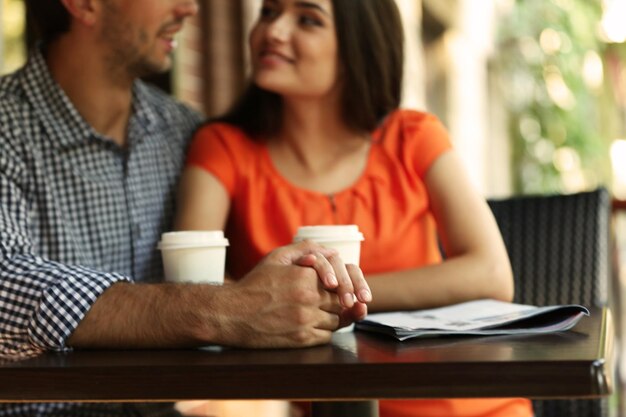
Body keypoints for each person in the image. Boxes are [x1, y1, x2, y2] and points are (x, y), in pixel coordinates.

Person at [0, 0, 370, 416]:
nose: (190, 8)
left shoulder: (186, 132)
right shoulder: (7, 128)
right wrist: (225, 310)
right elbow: (5, 282)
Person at [175, 0, 533, 416]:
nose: (273, 31)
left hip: (455, 402)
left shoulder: (414, 137)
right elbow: (195, 285)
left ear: (357, 46)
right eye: (269, 12)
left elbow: (491, 273)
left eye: (308, 19)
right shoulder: (222, 147)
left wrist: (332, 296)